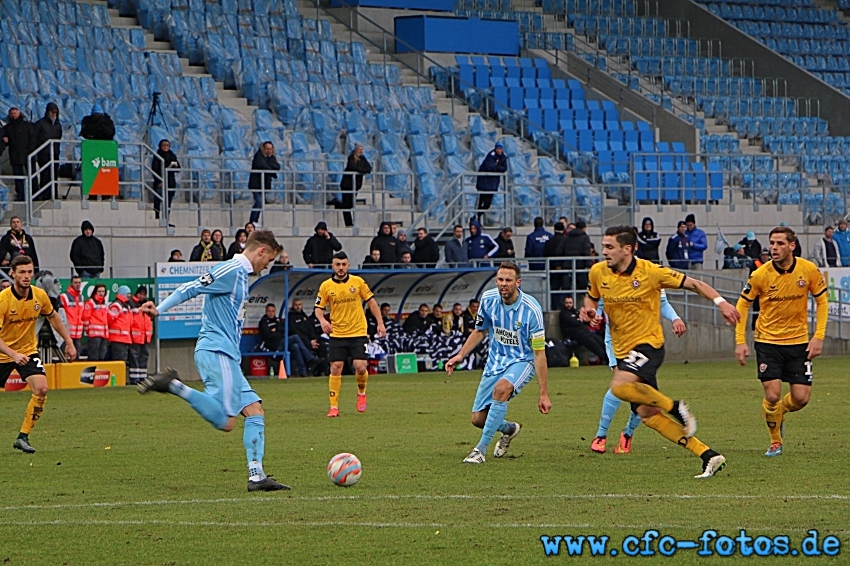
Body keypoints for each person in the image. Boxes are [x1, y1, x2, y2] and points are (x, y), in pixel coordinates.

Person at [138, 230, 290, 491]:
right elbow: (192, 286)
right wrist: (159, 310)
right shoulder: (231, 269)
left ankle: (257, 476)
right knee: (226, 421)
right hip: (216, 351)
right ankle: (174, 385)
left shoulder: (241, 275)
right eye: (269, 260)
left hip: (227, 354)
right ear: (261, 251)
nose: (267, 267)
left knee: (254, 410)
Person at [583, 225, 739, 478]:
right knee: (647, 415)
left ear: (628, 249)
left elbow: (694, 284)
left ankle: (674, 406)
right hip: (623, 351)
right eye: (603, 246)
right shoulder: (598, 272)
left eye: (609, 247)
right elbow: (591, 298)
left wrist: (720, 302)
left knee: (619, 387)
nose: (604, 252)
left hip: (648, 344)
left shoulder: (651, 272)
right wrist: (589, 311)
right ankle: (708, 455)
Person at [735, 226, 828, 458]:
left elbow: (822, 302)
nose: (774, 248)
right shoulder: (760, 274)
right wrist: (740, 340)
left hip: (798, 343)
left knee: (801, 399)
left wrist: (818, 336)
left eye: (779, 244)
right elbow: (742, 304)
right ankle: (775, 441)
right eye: (772, 244)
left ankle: (779, 414)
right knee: (773, 394)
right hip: (767, 342)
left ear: (792, 246)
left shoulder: (808, 270)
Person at [446, 262, 551, 464]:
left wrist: (543, 393)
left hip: (522, 361)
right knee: (478, 419)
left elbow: (539, 353)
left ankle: (480, 450)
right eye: (500, 280)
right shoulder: (488, 299)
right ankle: (509, 429)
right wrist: (461, 355)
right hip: (495, 361)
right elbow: (480, 331)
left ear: (517, 283)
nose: (504, 284)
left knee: (501, 389)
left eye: (508, 280)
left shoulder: (532, 310)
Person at [591, 290, 684, 454]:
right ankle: (601, 435)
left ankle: (627, 434)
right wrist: (597, 314)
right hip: (617, 340)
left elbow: (662, 302)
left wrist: (675, 318)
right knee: (620, 383)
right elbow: (599, 300)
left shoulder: (651, 274)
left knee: (640, 390)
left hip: (644, 342)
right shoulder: (608, 273)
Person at [0, 255, 76, 454]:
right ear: (12, 273)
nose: (26, 276)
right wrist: (13, 354)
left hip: (27, 350)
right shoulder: (3, 300)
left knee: (41, 389)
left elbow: (53, 317)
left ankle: (23, 437)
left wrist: (68, 342)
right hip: (3, 353)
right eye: (22, 272)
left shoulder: (40, 296)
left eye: (29, 272)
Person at [314, 252, 386, 417]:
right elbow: (318, 308)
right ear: (333, 266)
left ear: (348, 265)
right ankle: (333, 407)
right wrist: (323, 321)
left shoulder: (358, 282)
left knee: (360, 367)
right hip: (337, 333)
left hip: (358, 332)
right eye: (337, 264)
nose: (341, 268)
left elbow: (372, 303)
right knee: (335, 367)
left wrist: (380, 324)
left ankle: (361, 393)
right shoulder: (326, 286)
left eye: (344, 264)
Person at [259, 304, 316, 377]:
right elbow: (268, 336)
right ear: (266, 312)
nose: (271, 313)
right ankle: (309, 358)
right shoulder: (263, 322)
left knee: (295, 346)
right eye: (269, 311)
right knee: (295, 337)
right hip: (274, 346)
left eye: (273, 311)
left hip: (283, 342)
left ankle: (303, 371)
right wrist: (280, 333)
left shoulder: (278, 320)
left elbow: (287, 330)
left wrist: (276, 330)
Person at [558, 296, 607, 364]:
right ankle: (605, 358)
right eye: (567, 303)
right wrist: (579, 320)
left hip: (584, 331)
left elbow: (584, 320)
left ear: (573, 303)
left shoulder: (575, 311)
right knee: (592, 343)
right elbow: (574, 322)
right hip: (573, 334)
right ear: (564, 303)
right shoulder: (563, 313)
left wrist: (580, 320)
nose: (568, 305)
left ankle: (608, 357)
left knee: (599, 340)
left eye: (570, 303)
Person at [335, 144, 372, 227]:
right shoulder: (351, 157)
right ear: (355, 150)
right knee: (347, 205)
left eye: (362, 149)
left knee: (350, 204)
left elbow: (369, 168)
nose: (361, 151)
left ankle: (337, 204)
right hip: (347, 184)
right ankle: (348, 223)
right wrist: (362, 170)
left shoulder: (363, 158)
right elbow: (352, 167)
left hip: (356, 185)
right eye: (359, 149)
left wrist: (360, 170)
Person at [3, 108, 35, 201]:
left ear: (19, 113)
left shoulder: (27, 125)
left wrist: (31, 150)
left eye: (15, 113)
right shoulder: (7, 128)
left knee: (32, 174)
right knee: (18, 176)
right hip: (15, 155)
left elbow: (33, 138)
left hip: (28, 154)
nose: (14, 115)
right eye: (12, 113)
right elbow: (5, 141)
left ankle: (34, 193)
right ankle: (20, 194)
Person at [33, 102, 62, 198]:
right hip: (44, 154)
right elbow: (35, 138)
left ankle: (54, 195)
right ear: (48, 112)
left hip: (55, 154)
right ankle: (44, 195)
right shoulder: (40, 123)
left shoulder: (58, 124)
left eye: (56, 112)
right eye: (52, 112)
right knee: (45, 175)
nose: (54, 114)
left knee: (54, 175)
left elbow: (59, 137)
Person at [248, 141, 280, 225]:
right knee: (259, 201)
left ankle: (255, 221)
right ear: (263, 148)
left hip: (264, 184)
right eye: (267, 149)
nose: (269, 151)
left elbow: (277, 166)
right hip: (256, 184)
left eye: (270, 149)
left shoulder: (271, 157)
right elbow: (262, 166)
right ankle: (252, 221)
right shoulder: (258, 156)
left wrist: (270, 161)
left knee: (260, 203)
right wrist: (273, 173)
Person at [556, 220, 593, 291]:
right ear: (584, 228)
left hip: (567, 265)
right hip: (580, 266)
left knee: (565, 288)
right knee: (582, 288)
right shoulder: (585, 238)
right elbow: (586, 252)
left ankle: (565, 301)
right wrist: (588, 265)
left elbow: (559, 251)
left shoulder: (567, 237)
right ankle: (581, 302)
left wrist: (559, 265)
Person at [475, 141, 508, 215]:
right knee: (481, 202)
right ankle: (477, 218)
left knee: (487, 204)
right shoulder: (491, 155)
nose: (499, 150)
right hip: (484, 183)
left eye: (500, 149)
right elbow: (490, 167)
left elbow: (504, 168)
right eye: (497, 148)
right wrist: (498, 168)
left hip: (493, 184)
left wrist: (497, 167)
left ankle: (477, 216)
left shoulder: (503, 156)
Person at [128, 286, 153, 385]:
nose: (142, 296)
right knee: (134, 357)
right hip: (135, 336)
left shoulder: (148, 304)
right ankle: (134, 379)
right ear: (136, 293)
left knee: (144, 357)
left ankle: (142, 377)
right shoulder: (131, 303)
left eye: (144, 294)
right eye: (140, 294)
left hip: (146, 337)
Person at [151, 139, 180, 221]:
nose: (165, 147)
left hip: (170, 181)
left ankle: (166, 218)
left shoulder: (172, 155)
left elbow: (178, 169)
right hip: (160, 181)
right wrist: (159, 181)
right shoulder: (157, 155)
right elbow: (155, 169)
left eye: (167, 145)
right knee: (158, 197)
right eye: (163, 145)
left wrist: (176, 166)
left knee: (168, 201)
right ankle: (157, 214)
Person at [82, 283, 109, 361]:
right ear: (95, 292)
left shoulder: (104, 304)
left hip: (104, 335)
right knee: (94, 356)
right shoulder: (90, 302)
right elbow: (85, 317)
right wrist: (88, 331)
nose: (101, 293)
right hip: (94, 334)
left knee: (102, 356)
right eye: (99, 291)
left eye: (103, 291)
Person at [107, 286, 134, 365]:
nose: (129, 296)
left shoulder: (125, 306)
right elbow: (109, 319)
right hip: (118, 339)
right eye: (128, 294)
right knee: (118, 362)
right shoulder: (116, 305)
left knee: (122, 362)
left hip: (124, 339)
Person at [59, 276, 85, 353]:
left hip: (78, 333)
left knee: (77, 355)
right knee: (66, 355)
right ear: (71, 284)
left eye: (79, 283)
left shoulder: (81, 297)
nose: (78, 284)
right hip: (67, 332)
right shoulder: (64, 296)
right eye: (75, 283)